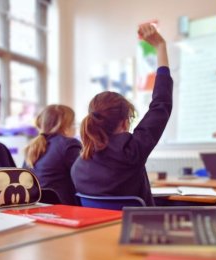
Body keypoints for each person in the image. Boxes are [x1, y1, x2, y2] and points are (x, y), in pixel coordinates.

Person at [71, 24, 173, 206]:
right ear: (125, 122)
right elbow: (161, 104)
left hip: (96, 234)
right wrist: (160, 47)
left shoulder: (79, 165)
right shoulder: (132, 150)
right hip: (138, 233)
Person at [24, 105, 82, 205]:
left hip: (37, 206)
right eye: (73, 123)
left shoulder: (33, 147)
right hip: (64, 207)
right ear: (66, 125)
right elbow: (82, 178)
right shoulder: (69, 144)